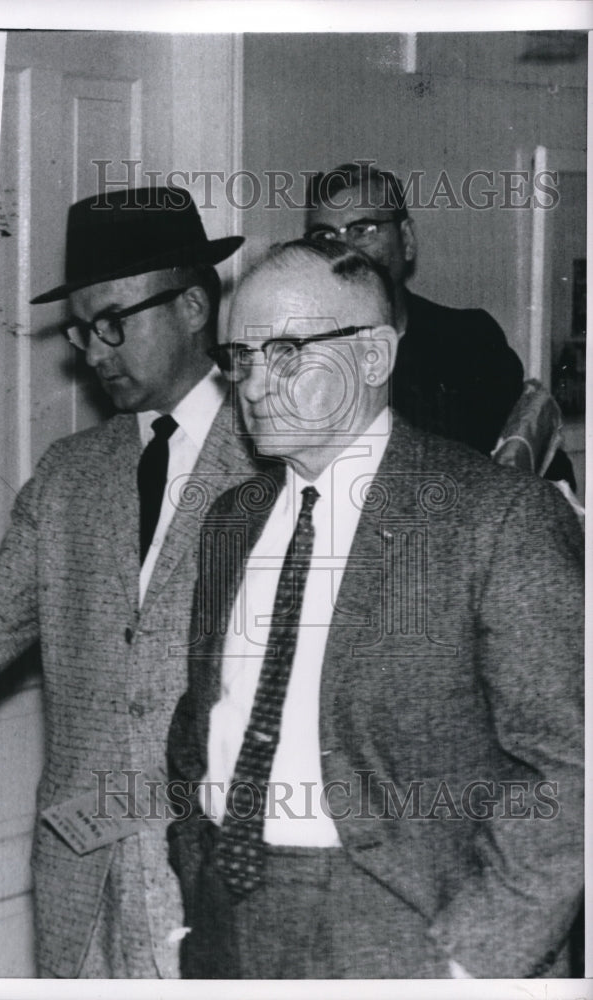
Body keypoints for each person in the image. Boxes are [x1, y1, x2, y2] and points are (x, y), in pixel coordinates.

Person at [168, 238, 583, 979]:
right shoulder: (232, 518)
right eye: (240, 356)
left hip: (409, 928)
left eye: (286, 352)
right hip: (225, 919)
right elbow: (199, 720)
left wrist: (475, 962)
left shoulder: (493, 517)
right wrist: (193, 874)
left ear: (373, 358)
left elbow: (572, 768)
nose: (255, 385)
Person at [0, 187, 264, 978]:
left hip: (228, 878)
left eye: (114, 321)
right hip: (86, 883)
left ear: (190, 307)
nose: (93, 349)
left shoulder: (278, 457)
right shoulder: (68, 476)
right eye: (80, 329)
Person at [304, 162, 576, 487]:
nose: (344, 249)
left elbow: (546, 477)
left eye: (362, 230)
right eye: (324, 235)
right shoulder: (301, 358)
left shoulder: (469, 341)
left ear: (406, 239)